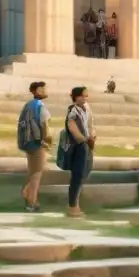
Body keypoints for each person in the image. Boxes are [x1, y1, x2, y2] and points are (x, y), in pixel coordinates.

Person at [17, 81, 52, 212]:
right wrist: (48, 140)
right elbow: (45, 125)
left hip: (27, 142)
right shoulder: (39, 106)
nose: (44, 91)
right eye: (41, 89)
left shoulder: (28, 105)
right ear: (34, 91)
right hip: (37, 142)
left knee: (32, 171)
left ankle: (27, 194)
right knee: (37, 172)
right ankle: (32, 201)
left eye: (44, 88)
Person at [63, 86, 95, 217]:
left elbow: (91, 124)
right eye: (82, 96)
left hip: (87, 144)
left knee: (84, 173)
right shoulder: (73, 110)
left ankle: (75, 203)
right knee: (77, 175)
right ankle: (72, 206)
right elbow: (72, 126)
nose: (84, 98)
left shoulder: (87, 108)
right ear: (76, 97)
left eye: (86, 96)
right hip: (79, 146)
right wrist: (83, 139)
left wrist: (92, 136)